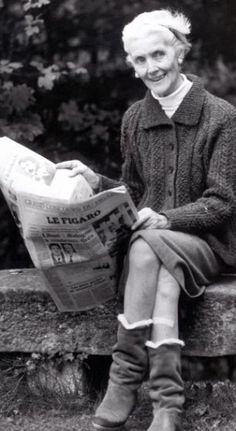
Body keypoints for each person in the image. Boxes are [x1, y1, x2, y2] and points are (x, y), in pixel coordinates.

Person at [56, 9, 236, 431]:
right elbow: (134, 193)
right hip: (157, 248)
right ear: (131, 65)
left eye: (159, 54)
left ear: (180, 52)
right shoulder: (134, 119)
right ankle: (166, 405)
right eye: (140, 60)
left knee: (145, 244)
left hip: (207, 241)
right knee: (160, 268)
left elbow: (224, 202)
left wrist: (167, 218)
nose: (151, 68)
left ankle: (123, 379)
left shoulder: (223, 117)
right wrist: (95, 180)